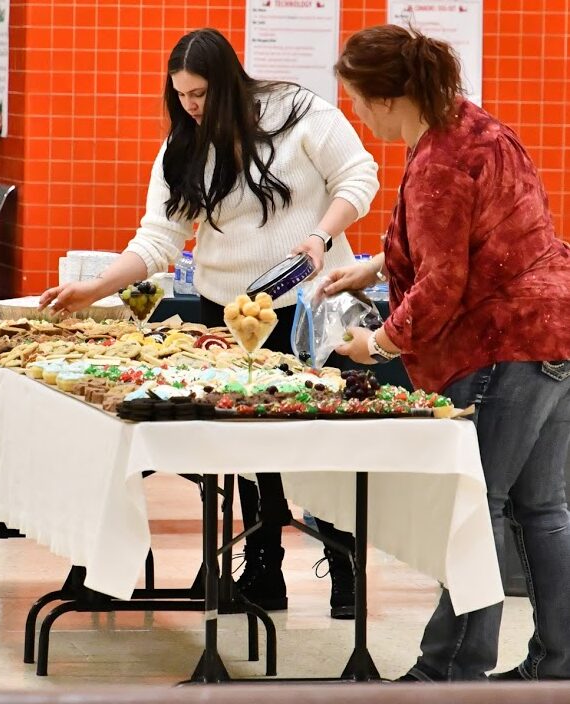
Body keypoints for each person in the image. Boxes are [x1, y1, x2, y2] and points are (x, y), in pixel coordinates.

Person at [39, 28, 379, 618]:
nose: (192, 107)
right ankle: (264, 563)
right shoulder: (184, 147)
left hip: (310, 301)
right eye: (182, 97)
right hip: (231, 309)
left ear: (228, 82)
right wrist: (95, 288)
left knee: (318, 437)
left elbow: (359, 176)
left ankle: (345, 565)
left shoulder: (298, 112)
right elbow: (158, 239)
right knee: (246, 441)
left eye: (199, 94)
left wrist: (322, 235)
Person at [326, 24, 570, 680]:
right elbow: (477, 236)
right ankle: (559, 664)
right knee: (543, 510)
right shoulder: (474, 123)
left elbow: (441, 285)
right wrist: (375, 267)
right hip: (554, 333)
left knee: (476, 504)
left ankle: (451, 667)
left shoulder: (435, 159)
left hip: (499, 347)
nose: (354, 111)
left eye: (355, 99)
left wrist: (374, 343)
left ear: (384, 98)